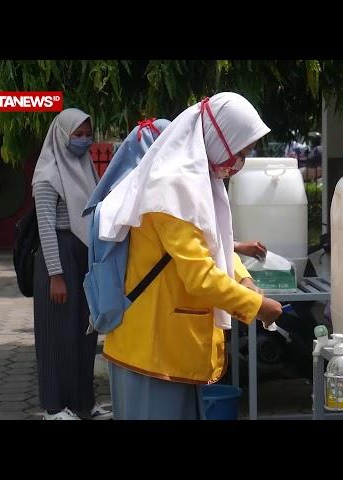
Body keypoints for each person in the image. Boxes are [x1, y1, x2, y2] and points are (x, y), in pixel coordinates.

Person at [99, 92, 283, 419]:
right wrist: (257, 307)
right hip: (150, 352)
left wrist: (243, 278)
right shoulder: (171, 188)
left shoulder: (200, 182)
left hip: (172, 346)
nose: (240, 162)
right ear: (217, 138)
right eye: (240, 152)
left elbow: (216, 244)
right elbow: (200, 276)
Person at [31, 107, 110, 420]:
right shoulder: (48, 175)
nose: (84, 140)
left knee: (85, 331)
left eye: (87, 134)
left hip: (83, 256)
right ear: (62, 135)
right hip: (59, 257)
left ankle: (82, 402)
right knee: (55, 335)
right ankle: (54, 407)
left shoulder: (85, 167)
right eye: (77, 134)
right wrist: (56, 274)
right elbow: (46, 226)